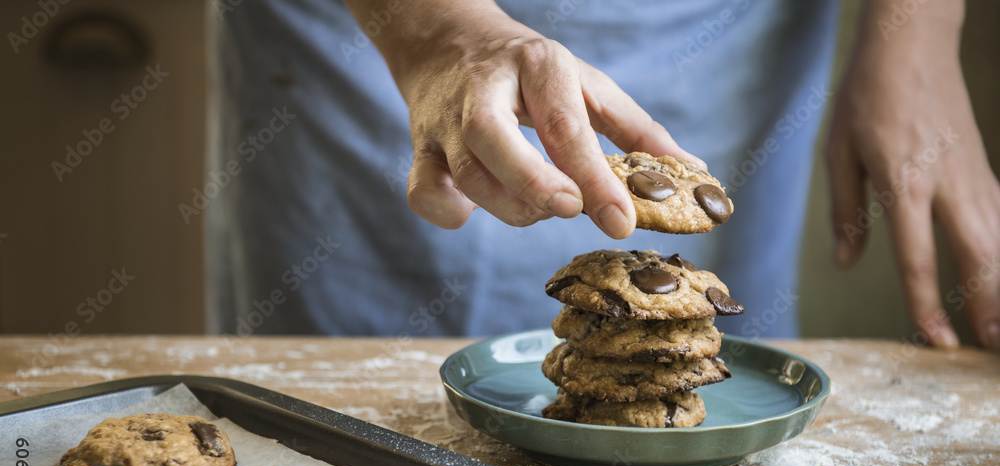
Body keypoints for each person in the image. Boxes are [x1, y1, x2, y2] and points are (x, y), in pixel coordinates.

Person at [206, 0, 999, 349]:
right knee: (351, 425)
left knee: (707, 431)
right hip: (364, 41)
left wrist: (919, 29)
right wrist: (430, 24)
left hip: (718, 30)